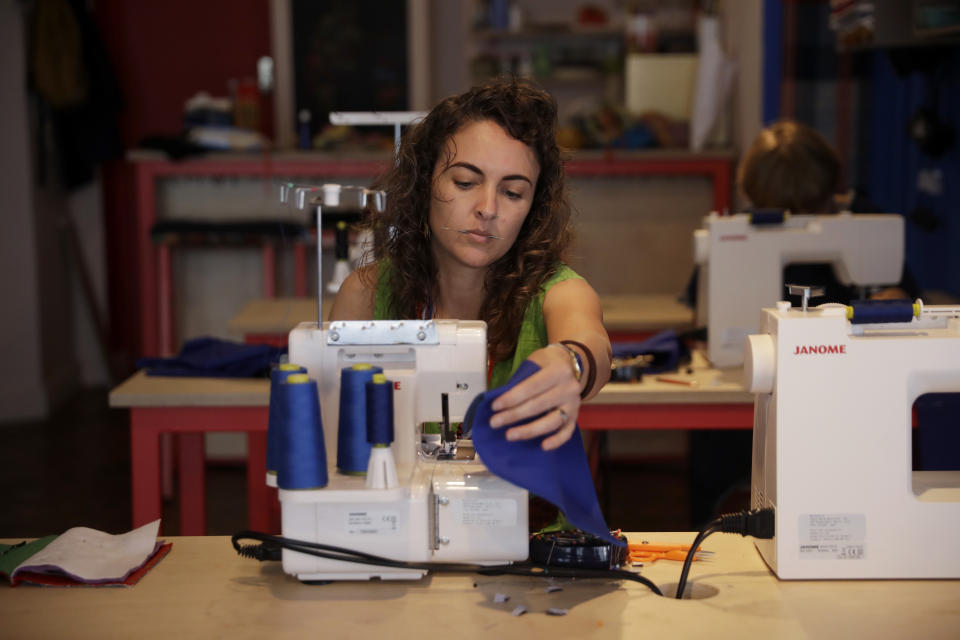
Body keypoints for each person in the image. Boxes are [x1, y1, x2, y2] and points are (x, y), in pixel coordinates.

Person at [329, 76, 612, 452]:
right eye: (465, 182)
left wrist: (571, 363)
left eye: (513, 193)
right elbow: (333, 435)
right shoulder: (365, 296)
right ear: (425, 183)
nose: (488, 209)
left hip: (526, 511)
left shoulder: (558, 293)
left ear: (532, 210)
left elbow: (591, 344)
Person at [689, 119, 918, 527]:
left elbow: (903, 298)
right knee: (726, 453)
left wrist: (894, 303)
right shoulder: (737, 233)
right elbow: (700, 312)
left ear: (833, 192)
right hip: (753, 397)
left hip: (847, 392)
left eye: (817, 210)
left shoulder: (864, 221)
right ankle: (721, 526)